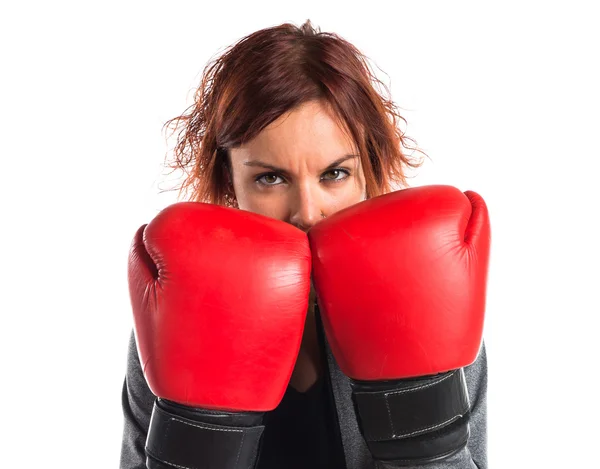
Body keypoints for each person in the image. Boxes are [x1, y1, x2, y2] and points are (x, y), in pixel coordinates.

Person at [120, 20, 489, 469]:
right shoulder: (179, 317)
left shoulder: (431, 305)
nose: (308, 212)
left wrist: (421, 435)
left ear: (368, 171)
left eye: (334, 173)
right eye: (270, 178)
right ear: (230, 183)